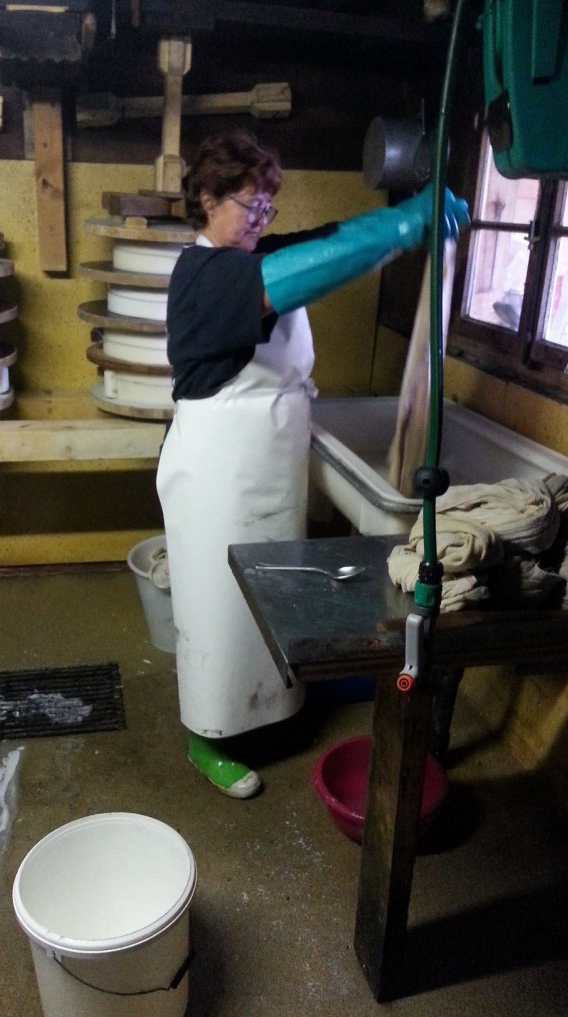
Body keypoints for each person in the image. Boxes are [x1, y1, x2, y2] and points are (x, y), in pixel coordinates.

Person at [156, 130, 469, 798]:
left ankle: (275, 703)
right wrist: (402, 225)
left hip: (268, 461)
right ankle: (208, 734)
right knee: (217, 610)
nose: (261, 218)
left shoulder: (257, 254)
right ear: (206, 198)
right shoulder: (203, 276)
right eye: (249, 204)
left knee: (277, 596)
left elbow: (330, 242)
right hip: (217, 476)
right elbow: (299, 275)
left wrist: (396, 226)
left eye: (267, 206)